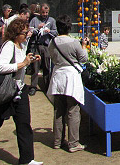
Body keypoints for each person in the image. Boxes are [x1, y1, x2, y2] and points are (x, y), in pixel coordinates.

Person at [0, 18, 43, 165]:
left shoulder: (21, 45)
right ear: (15, 33)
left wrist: (30, 61)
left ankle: (27, 159)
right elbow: (1, 67)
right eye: (24, 32)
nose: (27, 34)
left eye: (27, 32)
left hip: (19, 89)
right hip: (6, 90)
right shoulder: (8, 45)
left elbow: (20, 64)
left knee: (24, 123)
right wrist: (23, 63)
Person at [48, 15, 89, 152]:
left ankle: (57, 141)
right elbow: (83, 58)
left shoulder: (52, 42)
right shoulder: (73, 42)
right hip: (71, 78)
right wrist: (84, 46)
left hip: (58, 76)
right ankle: (73, 143)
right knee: (73, 110)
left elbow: (51, 56)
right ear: (69, 27)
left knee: (58, 110)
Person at [28, 3, 57, 95]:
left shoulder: (51, 20)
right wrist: (37, 28)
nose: (45, 14)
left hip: (46, 46)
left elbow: (56, 32)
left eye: (46, 12)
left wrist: (49, 31)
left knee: (47, 67)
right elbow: (30, 30)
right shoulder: (34, 20)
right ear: (40, 11)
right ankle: (33, 86)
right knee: (35, 67)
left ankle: (47, 86)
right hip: (36, 45)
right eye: (43, 12)